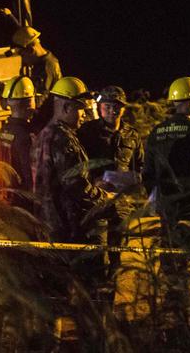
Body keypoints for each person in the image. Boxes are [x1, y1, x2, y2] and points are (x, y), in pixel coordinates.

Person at [142, 76, 190, 339]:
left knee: (173, 269)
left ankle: (177, 327)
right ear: (189, 102)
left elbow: (147, 177)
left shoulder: (155, 133)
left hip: (169, 212)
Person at [32, 76, 121, 297]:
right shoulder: (64, 139)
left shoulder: (43, 135)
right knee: (92, 290)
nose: (83, 115)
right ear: (66, 106)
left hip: (47, 227)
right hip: (70, 230)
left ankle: (53, 331)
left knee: (56, 293)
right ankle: (94, 331)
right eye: (80, 109)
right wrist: (106, 198)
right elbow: (78, 187)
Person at [78, 85, 144, 304]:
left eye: (117, 107)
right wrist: (94, 182)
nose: (112, 111)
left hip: (121, 206)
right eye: (107, 106)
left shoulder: (132, 135)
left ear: (123, 109)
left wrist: (129, 181)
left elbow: (141, 169)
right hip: (95, 204)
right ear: (99, 108)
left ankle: (108, 308)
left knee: (116, 259)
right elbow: (77, 167)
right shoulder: (86, 132)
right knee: (96, 258)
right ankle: (92, 308)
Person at [0, 75, 36, 208]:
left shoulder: (0, 133)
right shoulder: (25, 135)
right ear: (29, 103)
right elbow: (31, 176)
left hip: (6, 201)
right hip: (24, 203)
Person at [14, 26, 62, 100]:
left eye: (23, 55)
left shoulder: (46, 68)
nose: (23, 60)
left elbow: (38, 102)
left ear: (31, 51)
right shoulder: (47, 60)